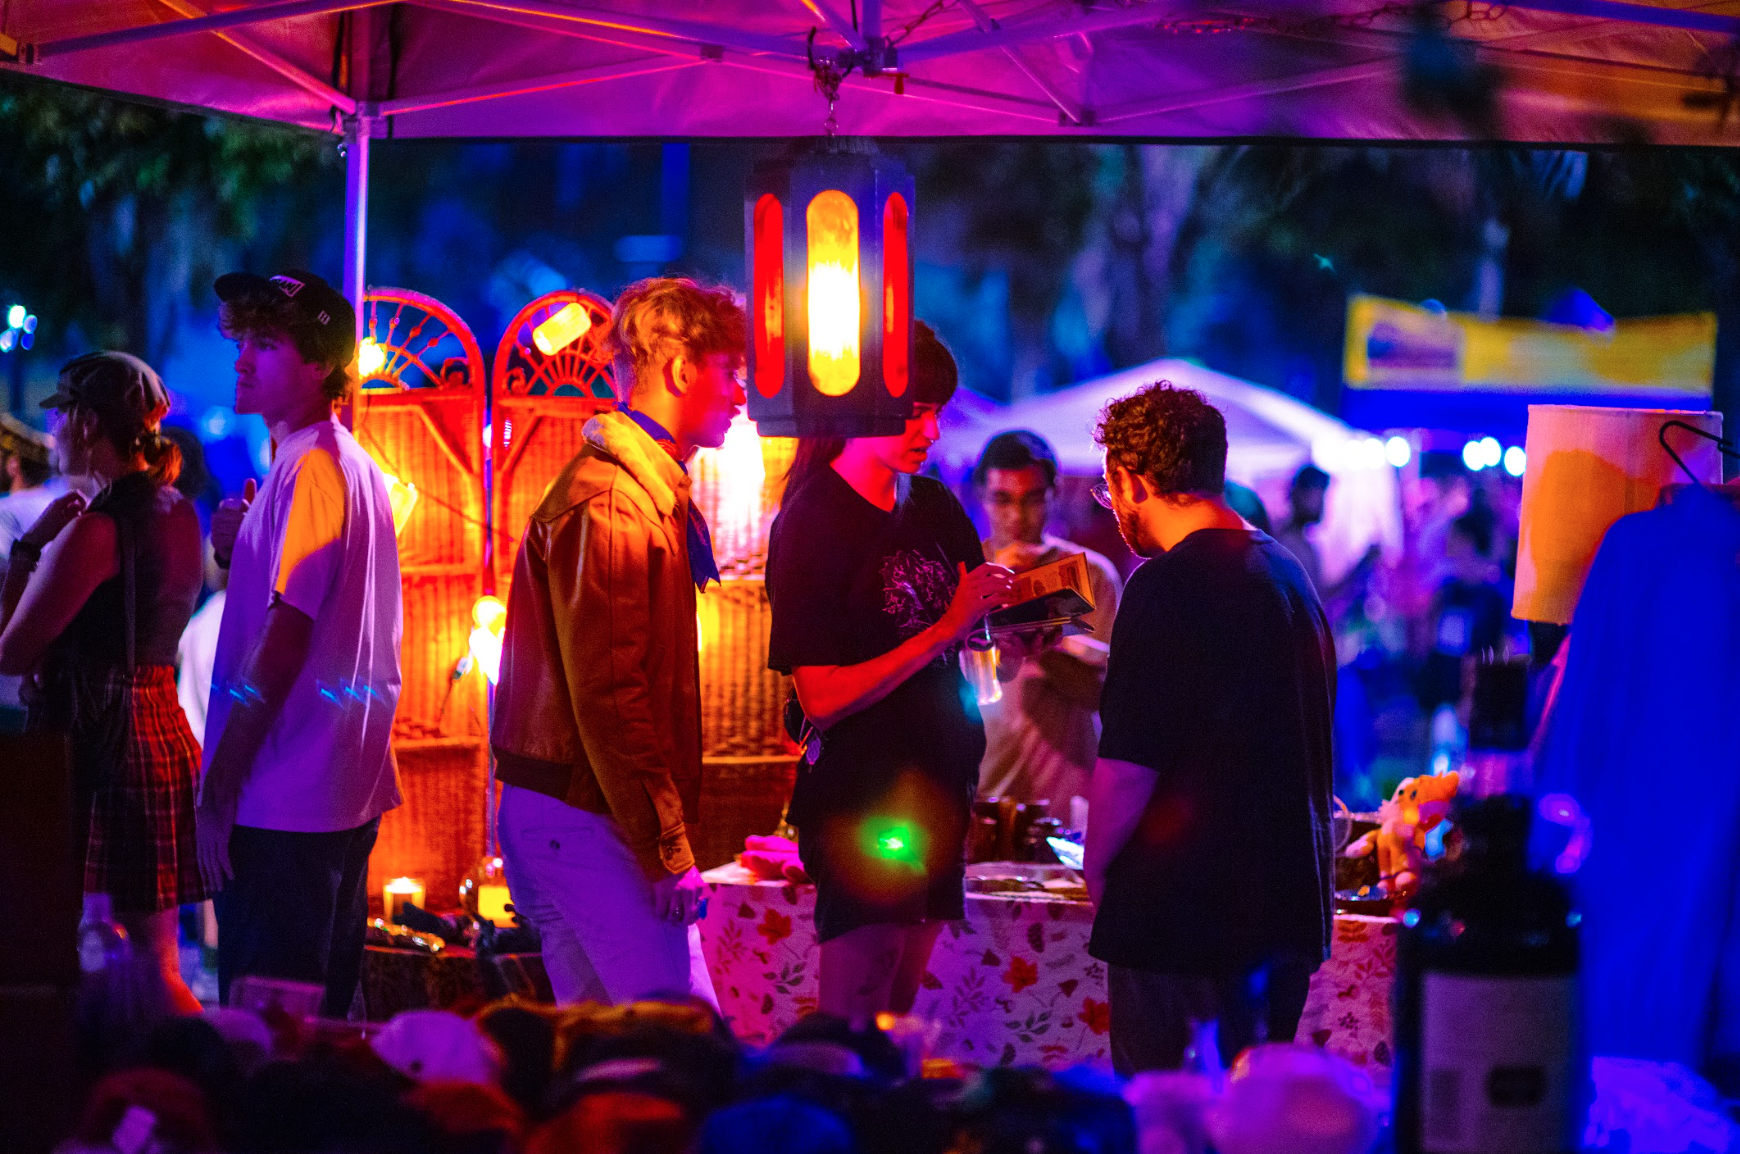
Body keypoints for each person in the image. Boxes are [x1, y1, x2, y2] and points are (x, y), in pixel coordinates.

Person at [490, 276, 745, 1007]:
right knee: (682, 1040)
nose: (739, 395)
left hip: (577, 811)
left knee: (606, 1054)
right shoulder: (613, 502)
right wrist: (666, 848)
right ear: (681, 369)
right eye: (731, 372)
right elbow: (611, 693)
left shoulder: (637, 492)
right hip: (587, 815)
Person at [765, 323, 1016, 1026]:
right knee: (856, 1013)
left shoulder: (933, 506)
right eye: (916, 411)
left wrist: (1014, 629)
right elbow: (821, 695)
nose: (932, 431)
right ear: (858, 404)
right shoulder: (814, 519)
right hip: (862, 799)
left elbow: (976, 646)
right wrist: (944, 628)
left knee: (901, 1012)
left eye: (938, 410)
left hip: (941, 786)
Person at [1083, 382, 1336, 1074]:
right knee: (1252, 1123)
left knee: (1171, 1125)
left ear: (1131, 479)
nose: (1115, 512)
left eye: (1111, 492)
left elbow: (1129, 765)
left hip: (1181, 918)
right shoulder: (1288, 575)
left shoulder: (1163, 586)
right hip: (1284, 913)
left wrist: (1097, 869)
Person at [196, 269, 403, 1018]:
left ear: (320, 363)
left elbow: (286, 637)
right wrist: (240, 543)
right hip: (330, 795)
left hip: (284, 804)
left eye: (269, 343)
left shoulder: (313, 469)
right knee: (313, 1029)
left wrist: (220, 784)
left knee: (267, 1036)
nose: (244, 360)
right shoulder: (339, 464)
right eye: (243, 340)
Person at [0, 351, 208, 1013]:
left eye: (61, 419)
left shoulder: (97, 529)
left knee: (59, 951)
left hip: (95, 745)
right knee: (159, 960)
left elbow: (11, 653)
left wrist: (29, 550)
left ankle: (90, 1092)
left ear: (88, 424)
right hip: (156, 727)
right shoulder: (178, 512)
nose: (54, 435)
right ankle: (181, 1082)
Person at [971, 430, 1122, 821]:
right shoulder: (967, 577)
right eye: (1002, 500)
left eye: (1032, 499)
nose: (1017, 517)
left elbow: (1104, 696)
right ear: (982, 497)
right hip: (982, 797)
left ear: (1054, 495)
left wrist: (1041, 641)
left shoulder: (1092, 575)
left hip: (1067, 802)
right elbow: (961, 687)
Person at [0, 414, 67, 712]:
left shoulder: (6, 511)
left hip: (8, 671)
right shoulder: (59, 503)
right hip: (49, 668)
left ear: (14, 465)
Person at [1273, 462, 1376, 611]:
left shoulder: (1303, 545)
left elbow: (1320, 597)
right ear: (1299, 495)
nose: (1323, 505)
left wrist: (1362, 564)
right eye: (1319, 495)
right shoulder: (1285, 544)